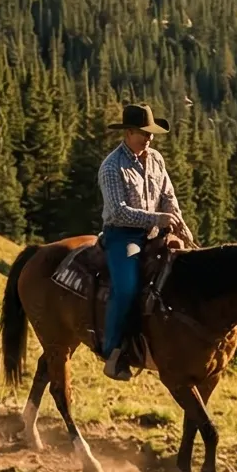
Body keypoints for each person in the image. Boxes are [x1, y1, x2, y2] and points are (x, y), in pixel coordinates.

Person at [97, 102, 188, 381]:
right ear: (129, 132)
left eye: (151, 133)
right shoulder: (112, 166)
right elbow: (117, 211)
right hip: (124, 236)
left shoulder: (156, 159)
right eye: (143, 133)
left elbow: (168, 195)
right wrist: (157, 219)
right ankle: (112, 351)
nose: (149, 138)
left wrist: (179, 224)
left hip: (154, 234)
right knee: (126, 289)